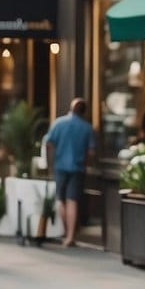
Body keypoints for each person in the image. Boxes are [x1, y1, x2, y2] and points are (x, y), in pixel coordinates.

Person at [44, 98, 95, 248]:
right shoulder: (87, 128)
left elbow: (48, 142)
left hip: (60, 166)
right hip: (78, 167)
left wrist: (54, 155)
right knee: (72, 200)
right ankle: (71, 235)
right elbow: (91, 151)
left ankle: (65, 232)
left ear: (71, 108)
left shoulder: (59, 123)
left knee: (61, 200)